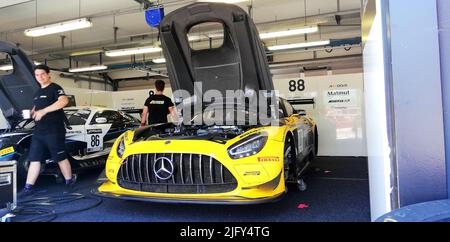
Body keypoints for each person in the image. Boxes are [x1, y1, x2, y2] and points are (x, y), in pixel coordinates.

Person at [19, 64, 75, 197]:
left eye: (42, 74)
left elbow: (63, 101)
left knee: (60, 157)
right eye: (37, 75)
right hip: (39, 131)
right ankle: (28, 188)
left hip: (54, 129)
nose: (40, 77)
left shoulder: (55, 88)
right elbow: (36, 108)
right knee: (35, 159)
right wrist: (32, 113)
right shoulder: (37, 92)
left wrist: (44, 111)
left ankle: (69, 181)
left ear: (49, 74)